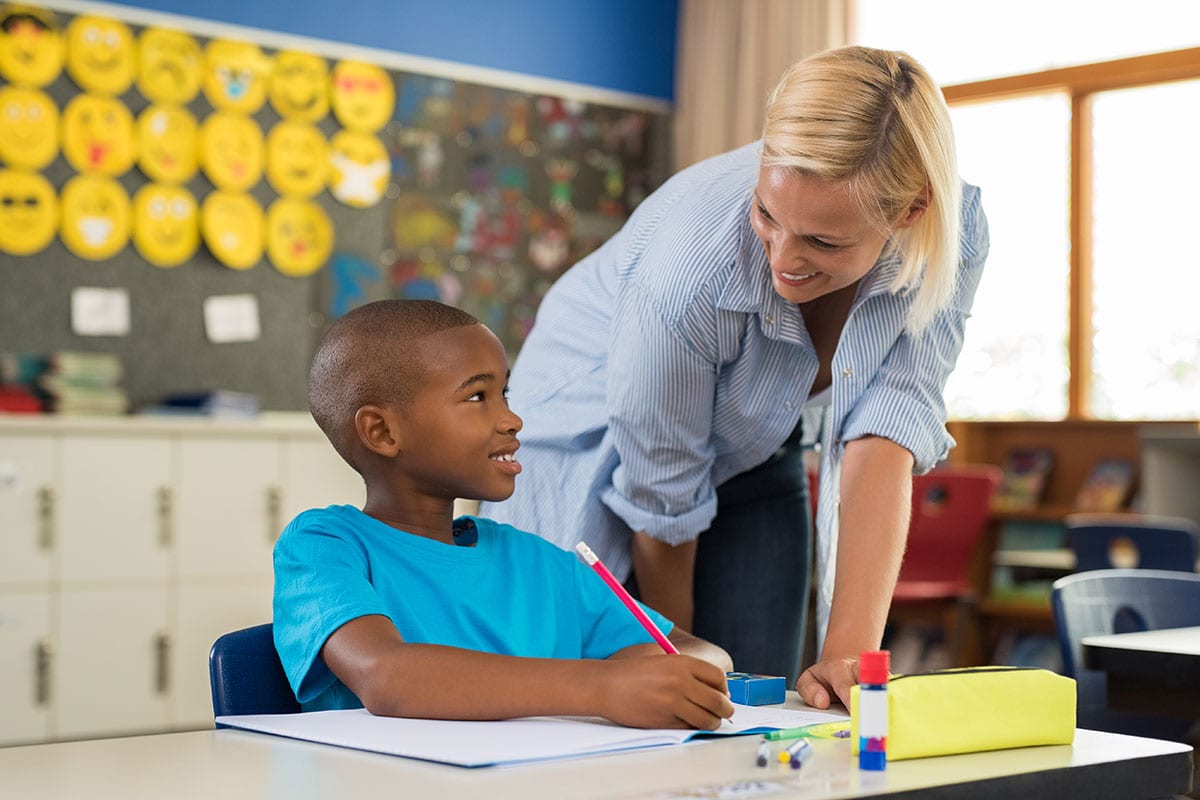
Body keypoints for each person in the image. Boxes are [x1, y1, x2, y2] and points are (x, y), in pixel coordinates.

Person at [480, 45, 990, 710]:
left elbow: (887, 430)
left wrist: (847, 657)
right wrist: (674, 653)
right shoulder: (688, 270)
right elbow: (663, 493)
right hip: (584, 441)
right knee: (594, 705)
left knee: (763, 697)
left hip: (755, 443)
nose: (782, 259)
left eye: (824, 243)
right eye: (767, 216)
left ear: (911, 210)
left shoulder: (954, 233)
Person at [272, 299, 735, 730]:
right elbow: (386, 675)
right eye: (477, 397)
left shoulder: (538, 563)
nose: (512, 419)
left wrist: (668, 678)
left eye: (505, 394)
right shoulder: (324, 548)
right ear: (382, 431)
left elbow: (697, 653)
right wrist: (603, 687)